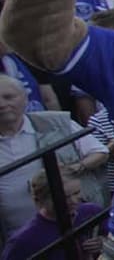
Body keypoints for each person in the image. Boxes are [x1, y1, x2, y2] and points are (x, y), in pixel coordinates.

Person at [0, 75, 108, 240]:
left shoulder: (56, 122)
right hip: (16, 238)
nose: (2, 104)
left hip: (72, 229)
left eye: (8, 97)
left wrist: (74, 168)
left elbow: (100, 152)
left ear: (25, 98)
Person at [1, 172, 106, 260]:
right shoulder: (23, 240)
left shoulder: (91, 212)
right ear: (41, 200)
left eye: (76, 193)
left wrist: (104, 243)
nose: (74, 201)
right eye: (64, 197)